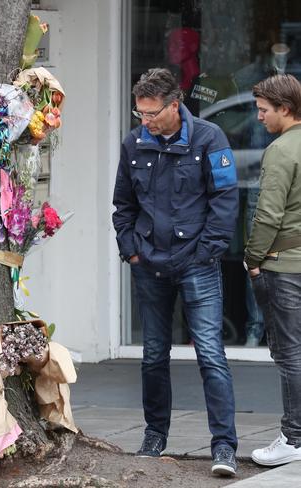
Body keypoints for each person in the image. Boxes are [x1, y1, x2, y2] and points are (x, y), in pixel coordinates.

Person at [112, 68, 239, 476]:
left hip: (197, 263)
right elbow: (124, 206)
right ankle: (154, 436)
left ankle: (223, 446)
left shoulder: (209, 138)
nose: (144, 121)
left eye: (151, 113)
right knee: (152, 356)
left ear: (175, 103)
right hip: (150, 264)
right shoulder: (133, 143)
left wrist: (207, 252)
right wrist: (131, 251)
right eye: (140, 113)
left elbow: (225, 199)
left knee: (210, 355)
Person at [246, 74, 301, 466]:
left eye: (265, 110)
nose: (259, 117)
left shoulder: (281, 150)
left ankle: (294, 438)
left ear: (285, 109)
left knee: (290, 354)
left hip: (285, 265)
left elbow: (268, 214)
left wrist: (251, 258)